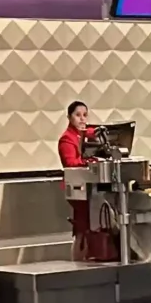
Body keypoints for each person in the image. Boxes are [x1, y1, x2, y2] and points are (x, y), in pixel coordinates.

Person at [57, 99, 113, 263]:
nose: (82, 119)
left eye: (85, 115)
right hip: (78, 187)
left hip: (91, 186)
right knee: (82, 225)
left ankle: (91, 254)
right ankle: (78, 259)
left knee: (90, 224)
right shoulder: (67, 139)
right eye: (78, 115)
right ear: (69, 117)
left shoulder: (88, 135)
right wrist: (89, 162)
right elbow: (70, 163)